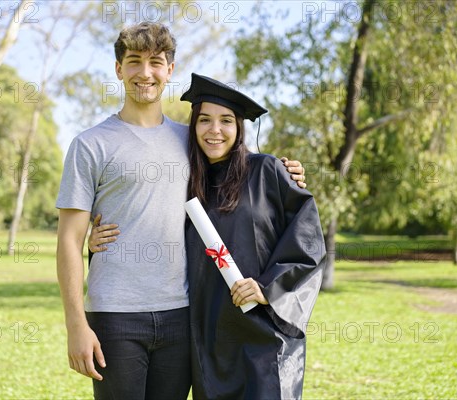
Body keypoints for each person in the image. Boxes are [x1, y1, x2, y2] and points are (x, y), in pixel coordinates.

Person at [56, 22, 306, 400]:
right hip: (115, 315)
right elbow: (68, 241)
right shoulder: (90, 145)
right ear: (118, 68)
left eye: (156, 62)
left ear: (169, 70)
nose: (145, 72)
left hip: (182, 314)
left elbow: (237, 171)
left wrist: (285, 174)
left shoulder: (189, 141)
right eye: (134, 61)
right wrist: (76, 325)